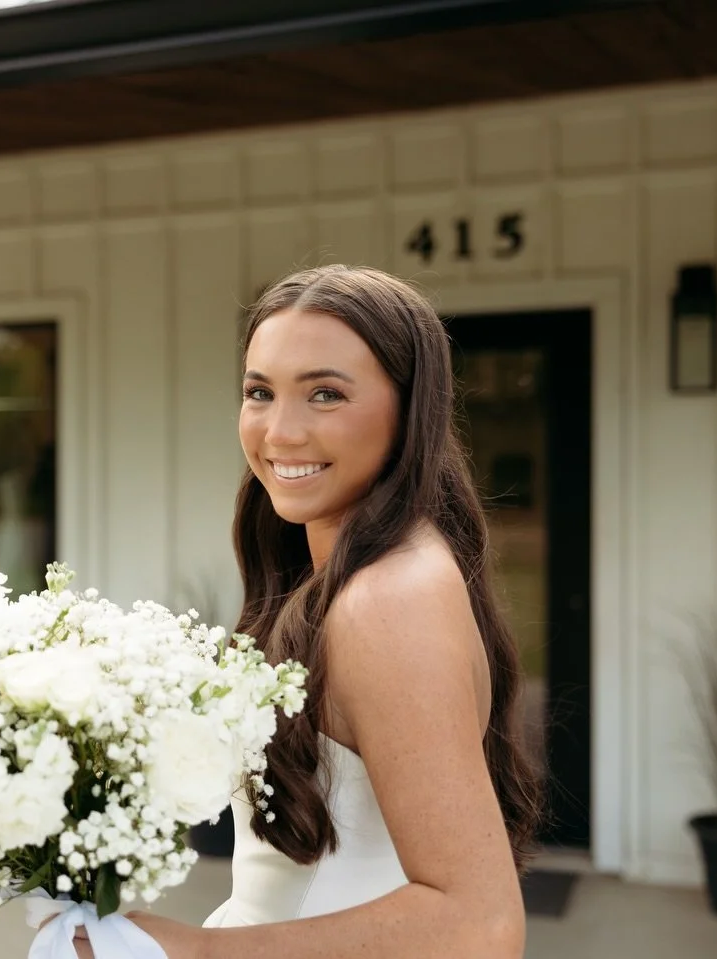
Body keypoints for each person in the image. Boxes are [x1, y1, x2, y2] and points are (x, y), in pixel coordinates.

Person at [107, 265, 544, 958]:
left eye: (325, 393)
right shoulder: (367, 569)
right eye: (260, 392)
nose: (281, 431)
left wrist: (195, 951)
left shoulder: (387, 597)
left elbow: (480, 926)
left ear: (410, 409)